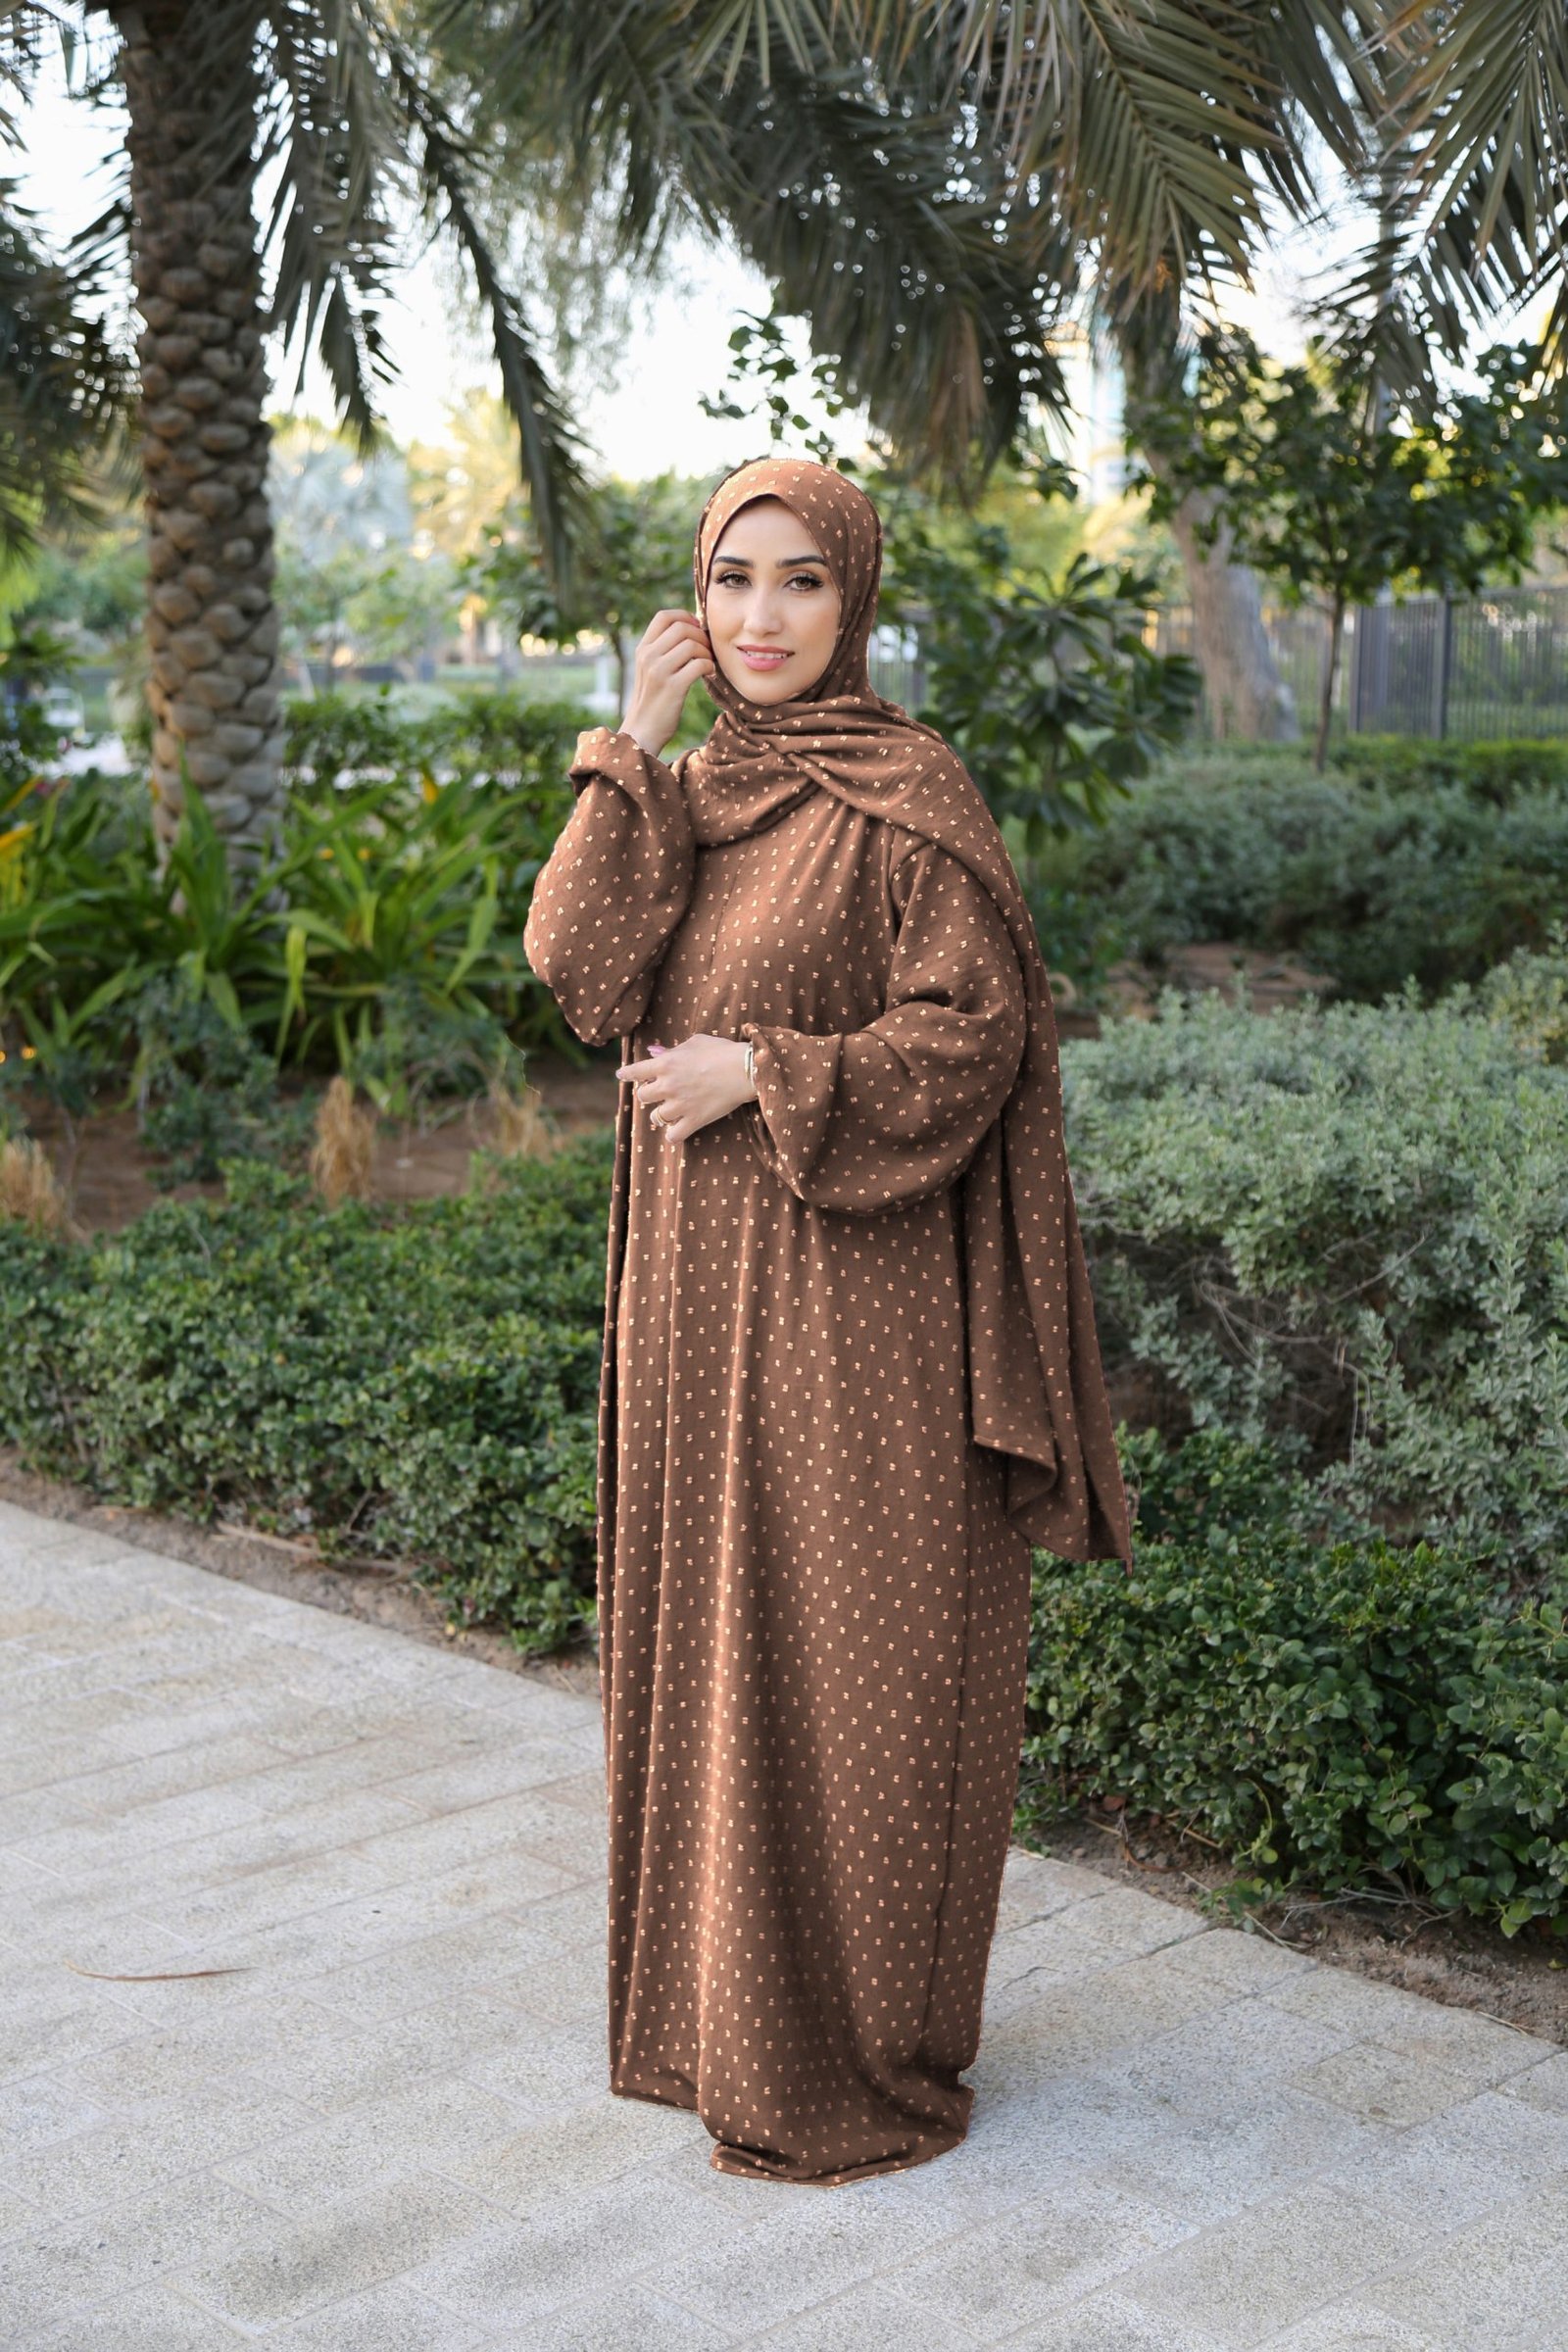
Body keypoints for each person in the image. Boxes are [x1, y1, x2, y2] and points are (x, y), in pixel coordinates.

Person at [523, 455, 1130, 2186]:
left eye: (800, 580)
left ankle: (856, 2055)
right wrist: (629, 742)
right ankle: (713, 2025)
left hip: (861, 1314)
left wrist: (762, 1070)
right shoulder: (681, 794)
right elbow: (578, 971)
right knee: (710, 1647)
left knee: (864, 1666)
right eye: (733, 579)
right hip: (694, 1308)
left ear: (853, 597)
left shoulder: (909, 795)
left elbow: (974, 1037)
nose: (763, 615)